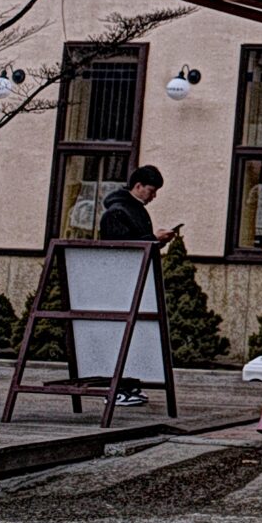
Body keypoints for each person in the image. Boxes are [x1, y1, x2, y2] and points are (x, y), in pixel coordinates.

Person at [97, 166, 170, 405]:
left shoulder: (130, 210)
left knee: (132, 337)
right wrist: (153, 240)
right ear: (137, 186)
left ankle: (129, 384)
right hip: (120, 284)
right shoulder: (118, 212)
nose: (153, 196)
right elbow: (121, 248)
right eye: (151, 190)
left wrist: (154, 242)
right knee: (121, 337)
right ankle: (117, 388)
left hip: (130, 282)